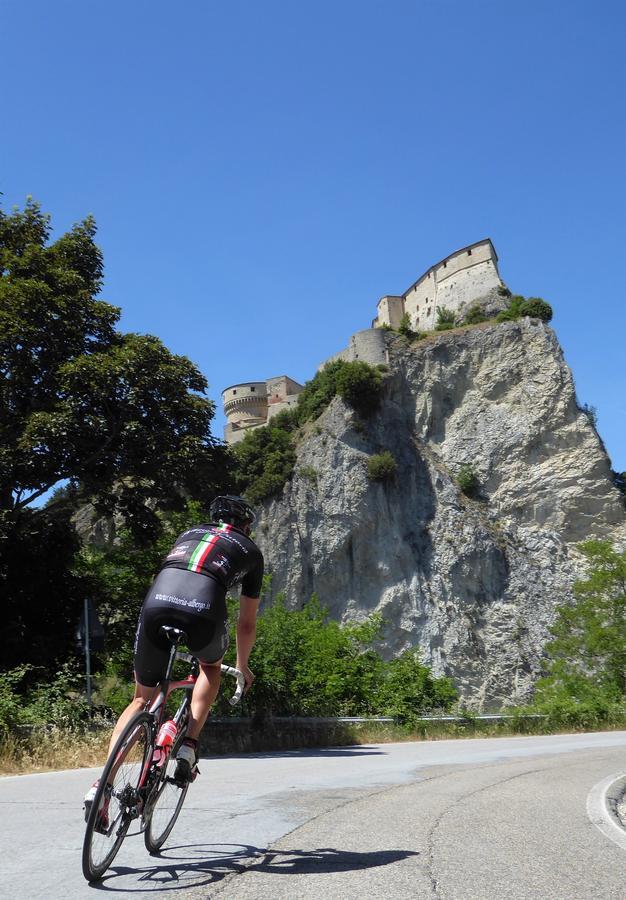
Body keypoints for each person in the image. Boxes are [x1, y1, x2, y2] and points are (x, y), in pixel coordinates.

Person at [84, 495, 264, 820]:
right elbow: (247, 623)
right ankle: (188, 744)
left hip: (157, 604)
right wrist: (242, 665)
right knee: (209, 666)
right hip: (204, 611)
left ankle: (102, 786)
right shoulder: (250, 550)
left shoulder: (188, 533)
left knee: (141, 700)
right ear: (247, 526)